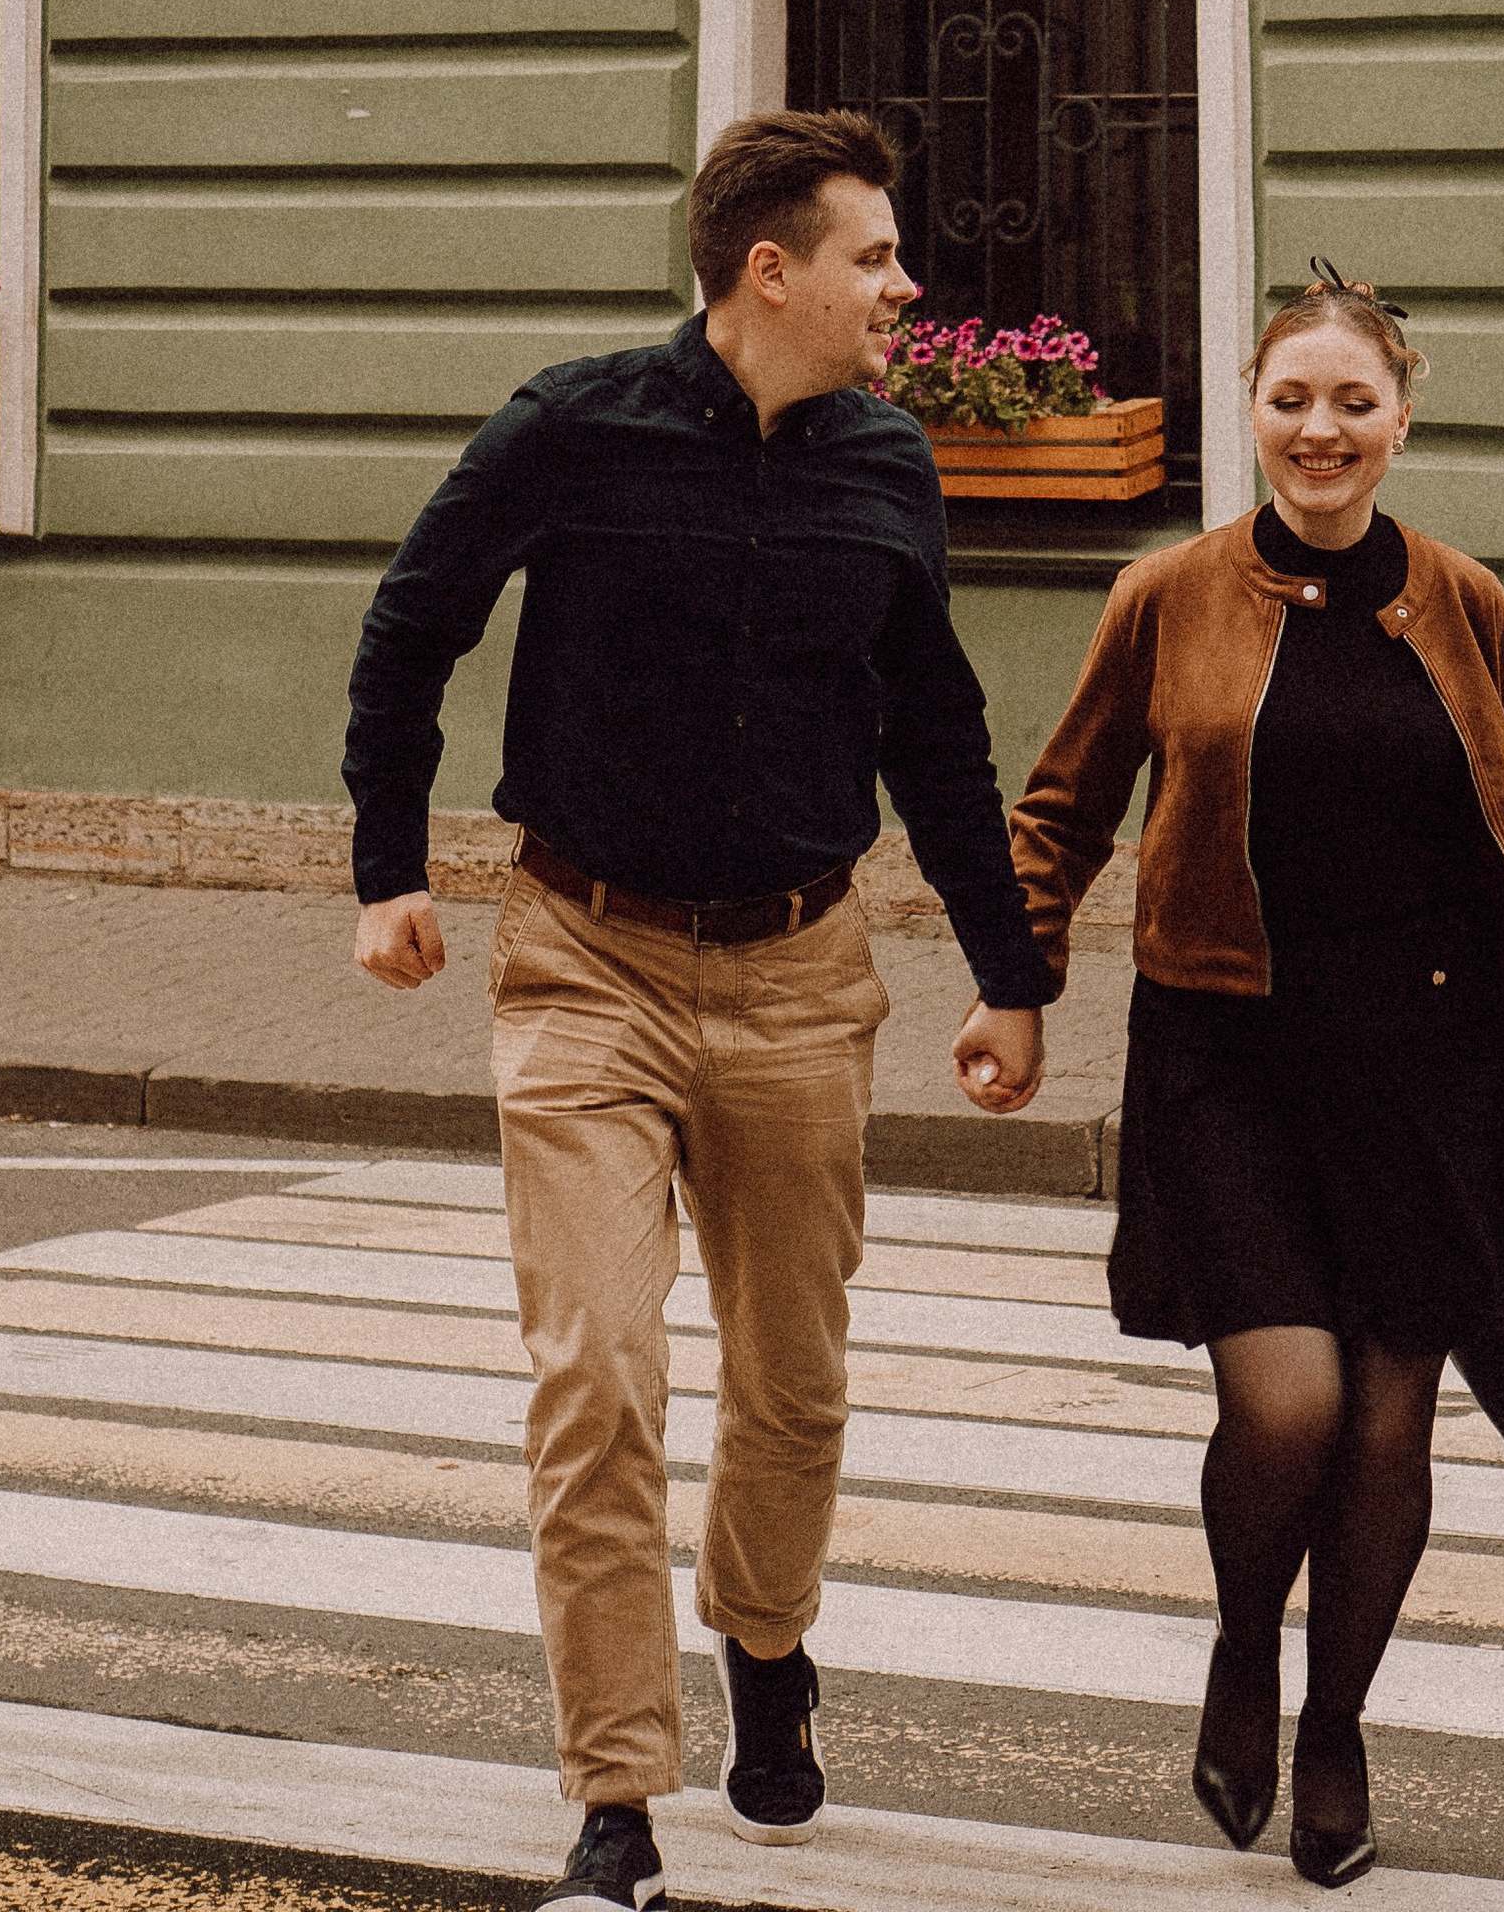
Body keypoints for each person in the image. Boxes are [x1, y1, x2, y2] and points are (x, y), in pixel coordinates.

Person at [344, 110, 1051, 1912]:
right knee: (596, 1375)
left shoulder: (890, 461)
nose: (906, 286)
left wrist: (1009, 970)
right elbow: (416, 620)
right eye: (877, 256)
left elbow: (936, 726)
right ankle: (615, 1799)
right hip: (587, 959)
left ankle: (767, 1635)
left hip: (804, 976)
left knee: (793, 1379)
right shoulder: (571, 427)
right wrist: (387, 866)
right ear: (771, 270)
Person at [1009, 271, 1504, 1892]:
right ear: (1252, 410)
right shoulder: (1168, 593)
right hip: (1224, 1052)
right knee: (1286, 1406)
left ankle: (1336, 1727)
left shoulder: (1469, 606)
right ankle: (1245, 1645)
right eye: (1292, 398)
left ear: (1401, 422)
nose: (1321, 430)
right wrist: (1018, 984)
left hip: (1426, 1064)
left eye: (1354, 402)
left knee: (1383, 1428)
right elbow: (1063, 808)